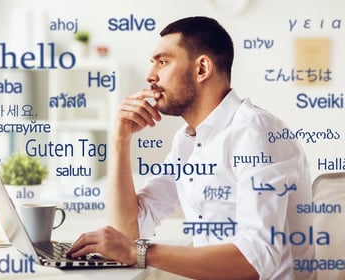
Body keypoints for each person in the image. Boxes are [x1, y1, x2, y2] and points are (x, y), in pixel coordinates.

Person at [67, 16, 315, 279]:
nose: (150, 75)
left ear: (202, 69)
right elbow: (129, 231)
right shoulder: (187, 141)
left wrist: (140, 252)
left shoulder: (255, 132)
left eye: (162, 62)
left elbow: (253, 261)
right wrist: (119, 139)